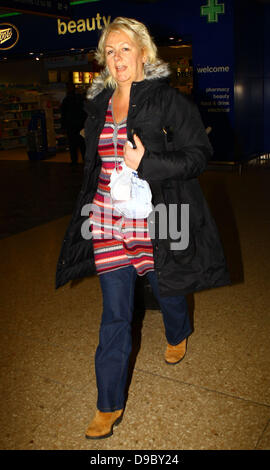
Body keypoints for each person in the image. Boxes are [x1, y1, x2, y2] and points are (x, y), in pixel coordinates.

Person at [56, 17, 230, 439]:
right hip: (106, 219)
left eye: (125, 49)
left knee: (167, 288)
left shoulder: (168, 101)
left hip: (158, 218)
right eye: (110, 51)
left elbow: (199, 155)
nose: (117, 58)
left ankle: (178, 330)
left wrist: (146, 163)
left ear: (144, 53)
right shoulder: (97, 104)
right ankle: (107, 404)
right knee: (115, 313)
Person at [60, 82, 87, 165]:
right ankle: (85, 161)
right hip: (80, 126)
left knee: (73, 145)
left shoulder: (66, 100)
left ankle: (74, 161)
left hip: (71, 126)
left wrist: (64, 126)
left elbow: (63, 114)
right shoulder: (80, 98)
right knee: (82, 145)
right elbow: (85, 112)